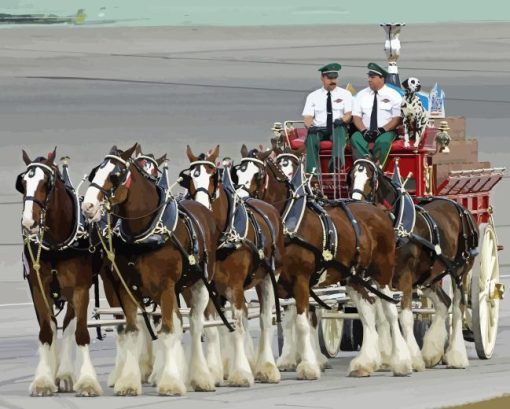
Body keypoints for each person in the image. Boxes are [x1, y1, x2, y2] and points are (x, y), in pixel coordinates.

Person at [302, 63, 353, 175]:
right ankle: (312, 172)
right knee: (311, 137)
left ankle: (335, 164)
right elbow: (307, 117)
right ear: (322, 78)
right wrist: (310, 126)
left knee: (339, 132)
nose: (332, 81)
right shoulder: (313, 96)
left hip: (337, 127)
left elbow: (349, 114)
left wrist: (343, 120)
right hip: (319, 129)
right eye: (329, 78)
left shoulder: (345, 94)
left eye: (334, 78)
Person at [351, 62, 402, 168]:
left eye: (373, 77)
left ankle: (377, 168)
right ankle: (365, 165)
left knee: (383, 142)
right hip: (365, 131)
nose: (369, 79)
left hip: (386, 131)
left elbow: (397, 119)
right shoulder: (361, 95)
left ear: (382, 78)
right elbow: (356, 117)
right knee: (355, 138)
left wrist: (381, 130)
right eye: (369, 77)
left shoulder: (394, 95)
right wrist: (364, 131)